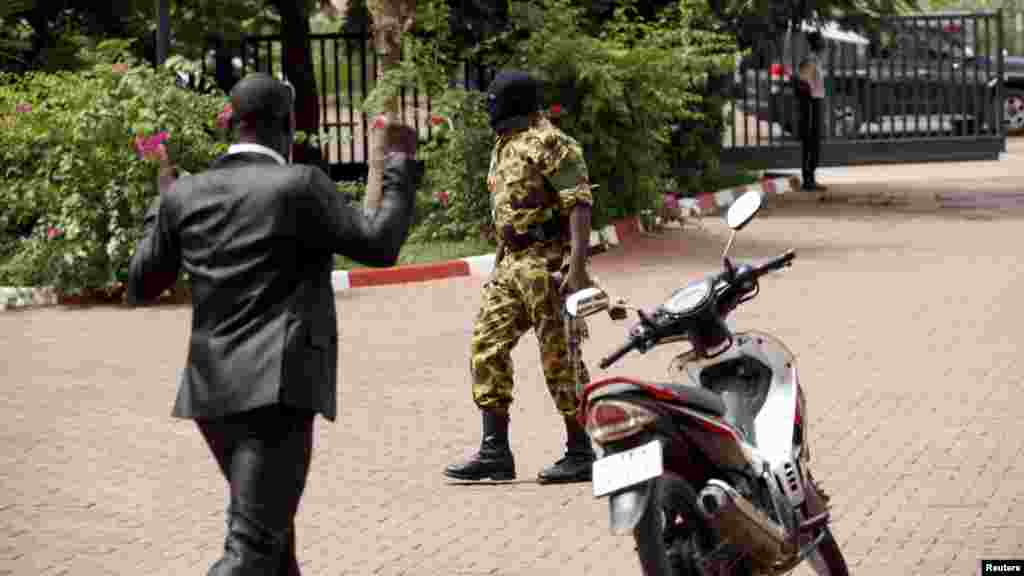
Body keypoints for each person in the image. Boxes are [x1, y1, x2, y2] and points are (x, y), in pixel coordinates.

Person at [127, 72, 419, 575]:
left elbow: (142, 283)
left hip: (212, 395)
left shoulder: (187, 194)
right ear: (286, 127)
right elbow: (379, 245)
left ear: (232, 125)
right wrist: (398, 166)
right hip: (277, 391)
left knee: (273, 544)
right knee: (254, 548)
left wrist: (163, 201)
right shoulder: (298, 185)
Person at [444, 70, 597, 485]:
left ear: (513, 104)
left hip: (549, 264)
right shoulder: (504, 144)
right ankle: (495, 452)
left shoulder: (551, 142)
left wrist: (578, 268)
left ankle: (581, 450)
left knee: (559, 358)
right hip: (512, 264)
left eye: (495, 102)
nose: (490, 110)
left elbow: (578, 203)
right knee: (486, 346)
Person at [798, 31, 828, 193]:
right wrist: (809, 105)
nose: (824, 45)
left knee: (814, 142)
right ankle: (808, 180)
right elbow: (804, 84)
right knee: (810, 142)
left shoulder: (816, 61)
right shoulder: (810, 61)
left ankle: (810, 178)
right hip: (810, 103)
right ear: (817, 45)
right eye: (822, 42)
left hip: (815, 102)